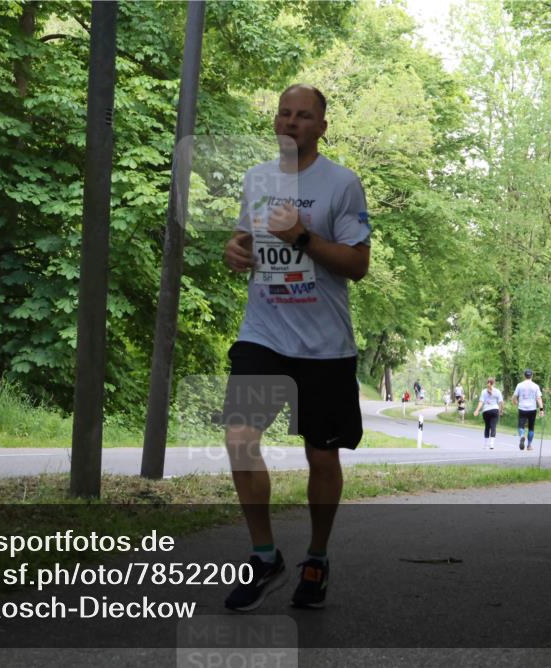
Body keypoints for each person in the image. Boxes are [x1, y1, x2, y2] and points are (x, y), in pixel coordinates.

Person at [221, 83, 371, 611]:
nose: (291, 122)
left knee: (321, 455)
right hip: (263, 333)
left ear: (321, 127)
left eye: (304, 116)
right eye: (284, 113)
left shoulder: (342, 184)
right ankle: (264, 555)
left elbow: (358, 265)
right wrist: (234, 252)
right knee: (240, 438)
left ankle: (317, 556)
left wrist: (303, 237)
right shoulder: (257, 179)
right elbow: (243, 240)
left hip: (324, 345)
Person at [511, 369, 545, 451]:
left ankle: (522, 436)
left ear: (524, 375)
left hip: (522, 408)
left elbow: (514, 396)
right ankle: (529, 445)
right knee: (531, 427)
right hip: (532, 409)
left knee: (521, 425)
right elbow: (539, 398)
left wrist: (514, 402)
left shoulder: (519, 385)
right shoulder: (535, 386)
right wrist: (541, 409)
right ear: (532, 376)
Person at [473, 377, 504, 450]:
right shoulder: (497, 391)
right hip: (494, 410)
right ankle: (492, 444)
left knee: (487, 427)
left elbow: (481, 402)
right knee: (493, 427)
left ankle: (485, 444)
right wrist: (501, 410)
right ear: (494, 383)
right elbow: (501, 402)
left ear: (488, 382)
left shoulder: (483, 391)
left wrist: (477, 410)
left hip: (486, 411)